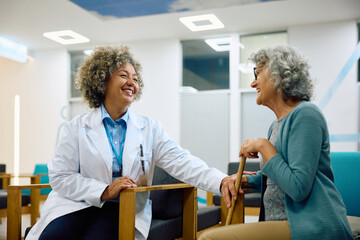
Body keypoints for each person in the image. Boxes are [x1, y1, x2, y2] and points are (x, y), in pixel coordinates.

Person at [26, 46, 236, 240]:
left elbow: (182, 161)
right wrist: (103, 190)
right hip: (74, 204)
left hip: (119, 208)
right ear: (102, 81)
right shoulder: (76, 127)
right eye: (123, 75)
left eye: (135, 79)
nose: (132, 83)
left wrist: (221, 180)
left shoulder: (150, 128)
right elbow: (60, 176)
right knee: (53, 237)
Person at [199, 45, 353, 240]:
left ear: (279, 75)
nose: (253, 83)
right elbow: (276, 177)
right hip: (281, 223)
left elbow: (297, 187)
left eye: (258, 73)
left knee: (210, 238)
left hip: (310, 225)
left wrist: (264, 146)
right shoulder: (276, 125)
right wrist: (244, 180)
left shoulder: (306, 115)